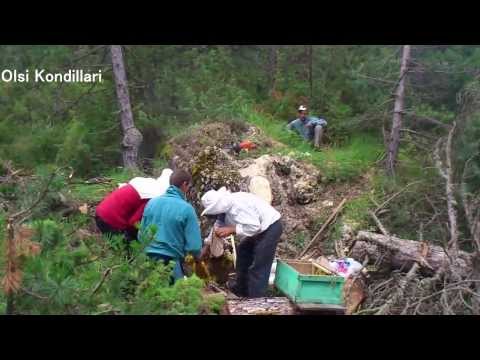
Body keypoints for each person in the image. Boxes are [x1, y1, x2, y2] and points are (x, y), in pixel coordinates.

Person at [201, 187, 283, 298]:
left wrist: (231, 229)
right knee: (243, 250)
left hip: (270, 227)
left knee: (259, 265)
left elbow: (254, 226)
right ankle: (241, 289)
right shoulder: (225, 210)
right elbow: (217, 227)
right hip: (260, 230)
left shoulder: (238, 206)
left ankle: (256, 300)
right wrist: (207, 246)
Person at [139, 169, 203, 283]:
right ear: (184, 184)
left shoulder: (152, 202)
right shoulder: (187, 209)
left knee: (149, 295)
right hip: (170, 262)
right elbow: (194, 246)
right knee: (172, 297)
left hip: (146, 259)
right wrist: (198, 259)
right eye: (189, 186)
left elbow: (140, 234)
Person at [95, 169, 173, 243]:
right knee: (126, 252)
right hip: (111, 219)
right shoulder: (151, 196)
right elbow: (134, 222)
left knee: (120, 247)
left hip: (101, 212)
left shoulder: (147, 185)